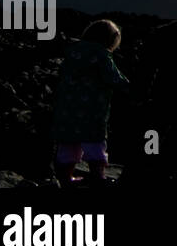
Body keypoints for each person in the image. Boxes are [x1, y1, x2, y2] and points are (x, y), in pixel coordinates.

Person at [51, 18, 131, 186]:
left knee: (68, 141)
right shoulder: (101, 55)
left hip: (66, 108)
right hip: (92, 110)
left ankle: (66, 177)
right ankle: (97, 175)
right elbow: (113, 78)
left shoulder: (72, 51)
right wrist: (131, 89)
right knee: (94, 141)